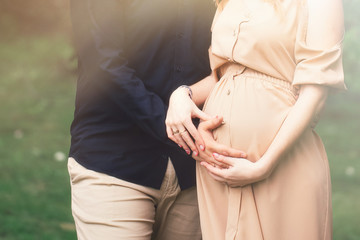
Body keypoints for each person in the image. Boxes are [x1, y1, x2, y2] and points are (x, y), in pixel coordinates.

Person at [166, 0, 346, 239]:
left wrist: (263, 166)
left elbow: (314, 93)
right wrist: (182, 94)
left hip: (281, 162)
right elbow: (224, 75)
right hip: (221, 170)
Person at [65, 0, 235, 239]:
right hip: (116, 162)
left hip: (194, 173)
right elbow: (104, 66)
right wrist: (180, 130)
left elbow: (230, 60)